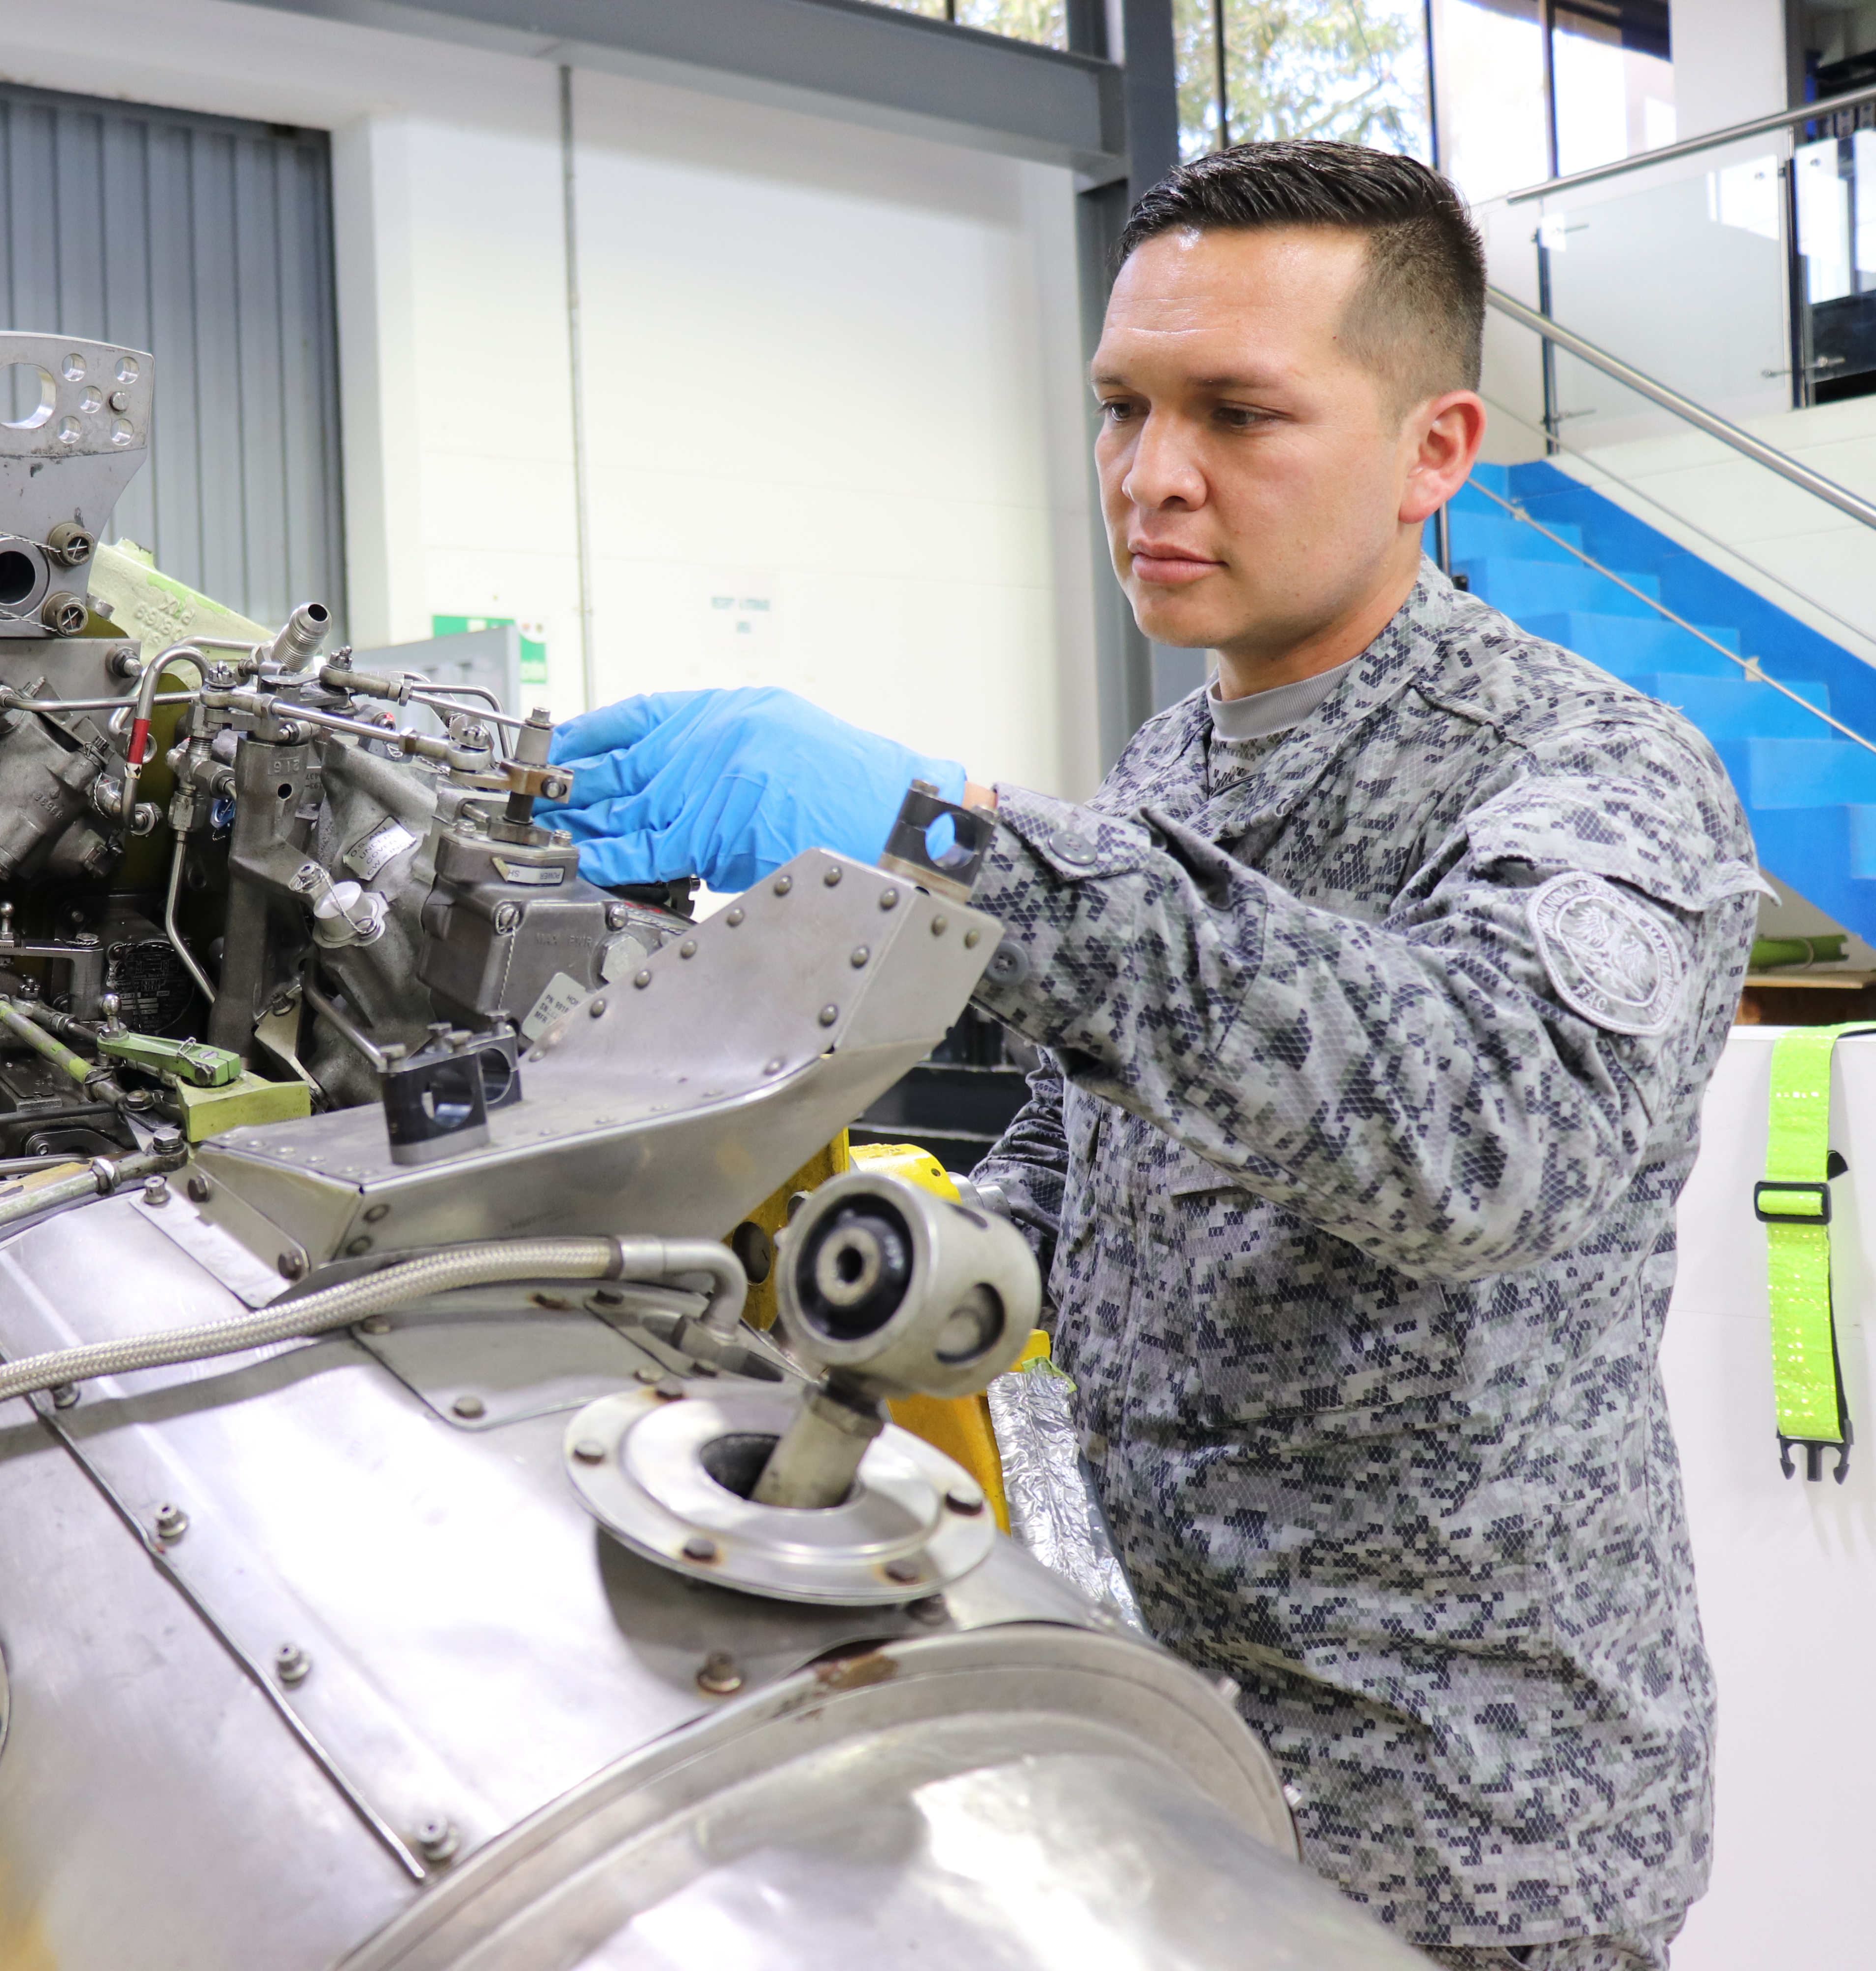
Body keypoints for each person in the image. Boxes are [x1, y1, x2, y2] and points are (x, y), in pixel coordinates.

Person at [542, 141, 1752, 1970]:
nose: (1151, 476)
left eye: (1240, 413)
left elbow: (1487, 1139)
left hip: (1471, 1831)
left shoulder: (1596, 776)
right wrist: (915, 1246)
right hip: (1170, 1763)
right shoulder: (1176, 767)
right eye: (1122, 407)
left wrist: (942, 839)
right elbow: (1100, 1126)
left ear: (1436, 451)